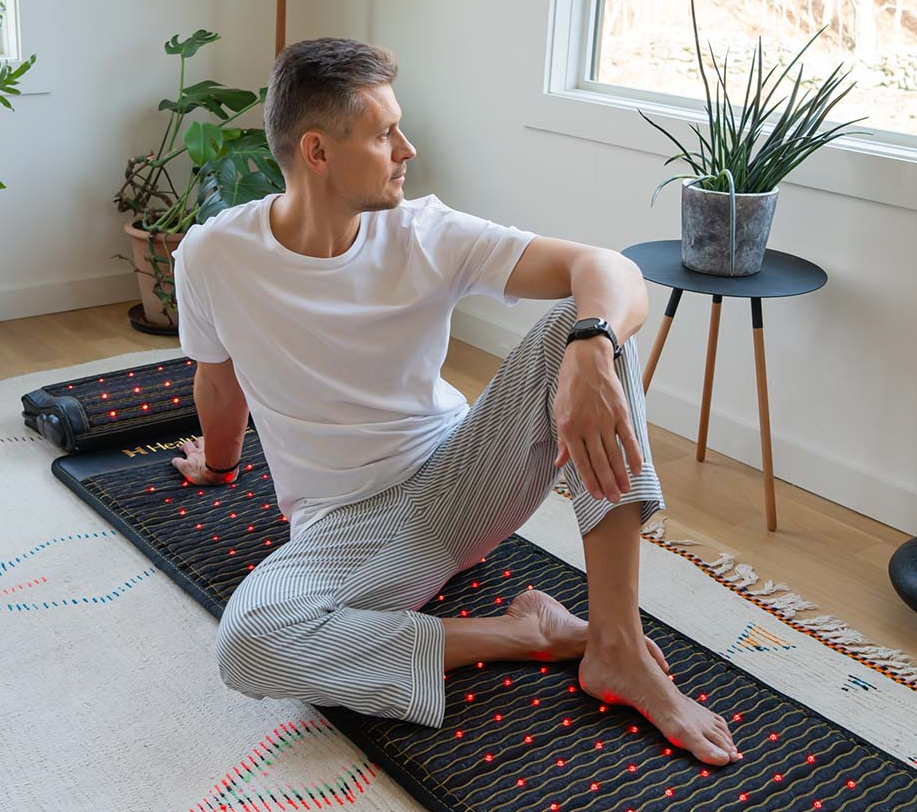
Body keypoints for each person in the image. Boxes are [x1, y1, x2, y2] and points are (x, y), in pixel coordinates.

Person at [170, 37, 738, 766]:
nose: (407, 148)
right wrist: (218, 465)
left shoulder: (424, 232)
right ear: (316, 151)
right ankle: (529, 633)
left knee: (584, 328)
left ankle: (615, 644)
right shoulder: (213, 255)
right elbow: (218, 381)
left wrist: (592, 346)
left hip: (464, 477)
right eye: (383, 134)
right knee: (247, 645)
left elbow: (606, 268)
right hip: (348, 530)